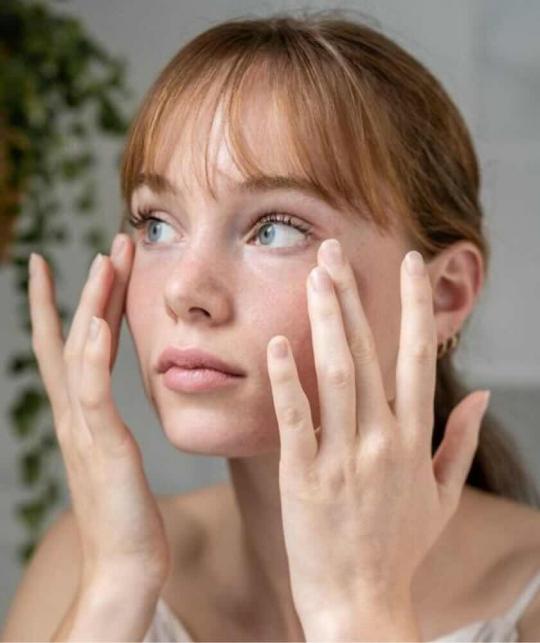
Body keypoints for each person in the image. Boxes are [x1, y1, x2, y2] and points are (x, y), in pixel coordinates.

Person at [2, 8, 540, 642]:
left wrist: (357, 609)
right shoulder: (87, 561)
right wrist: (117, 586)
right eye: (156, 226)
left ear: (443, 293)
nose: (185, 292)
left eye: (275, 228)